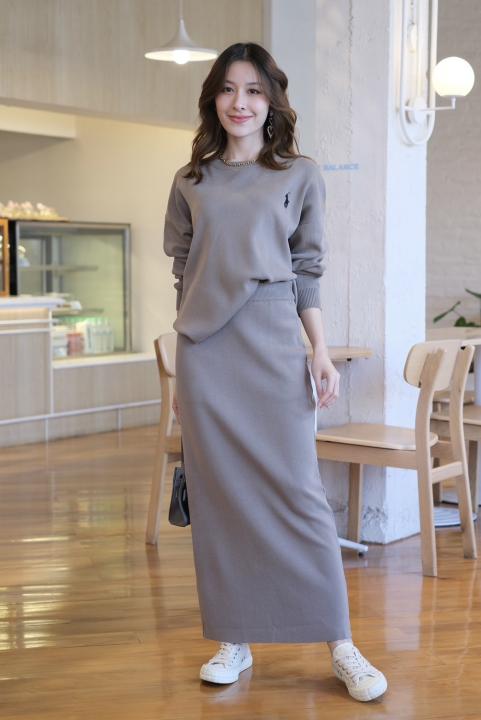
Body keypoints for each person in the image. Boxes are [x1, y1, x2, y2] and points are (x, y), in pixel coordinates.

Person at [163, 42, 387, 703]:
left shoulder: (299, 174)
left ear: (271, 101)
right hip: (205, 354)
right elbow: (183, 274)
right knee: (220, 500)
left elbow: (306, 269)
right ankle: (233, 637)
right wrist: (180, 373)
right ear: (213, 98)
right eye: (228, 89)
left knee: (299, 494)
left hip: (271, 338)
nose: (240, 102)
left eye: (253, 90)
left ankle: (340, 641)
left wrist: (317, 350)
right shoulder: (190, 180)